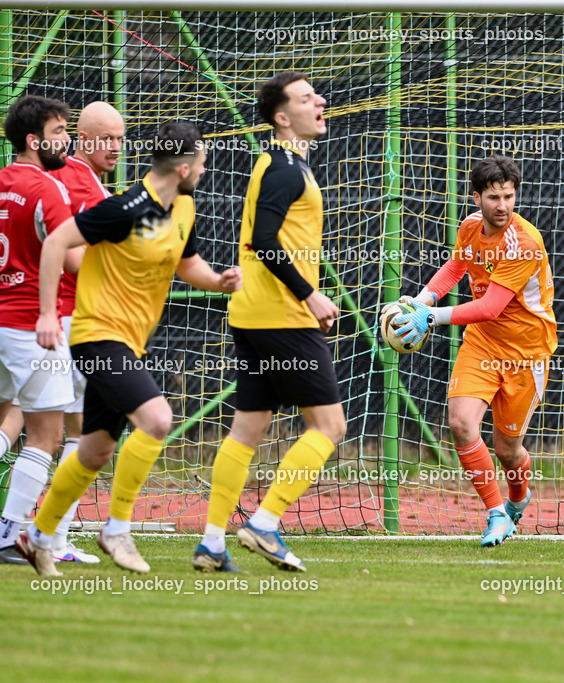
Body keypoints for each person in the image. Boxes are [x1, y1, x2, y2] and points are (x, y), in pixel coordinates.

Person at [16, 121, 242, 577]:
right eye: (200, 162)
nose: (204, 169)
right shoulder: (124, 209)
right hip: (97, 335)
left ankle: (38, 537)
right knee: (157, 419)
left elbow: (187, 262)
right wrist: (45, 314)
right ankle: (116, 528)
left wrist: (218, 281)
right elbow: (57, 240)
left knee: (95, 451)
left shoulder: (182, 206)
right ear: (183, 167)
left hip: (130, 342)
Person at [192, 71, 345, 573]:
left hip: (253, 315)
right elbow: (263, 239)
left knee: (246, 430)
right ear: (283, 118)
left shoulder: (278, 162)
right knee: (329, 424)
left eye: (315, 94)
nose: (319, 101)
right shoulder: (285, 169)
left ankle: (212, 543)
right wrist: (311, 295)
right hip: (283, 315)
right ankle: (264, 522)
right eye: (305, 98)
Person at [384, 154, 556, 547]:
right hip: (482, 341)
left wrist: (431, 317)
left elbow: (491, 305)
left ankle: (517, 497)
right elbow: (455, 266)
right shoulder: (470, 227)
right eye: (494, 197)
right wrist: (423, 298)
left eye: (510, 197)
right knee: (461, 424)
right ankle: (496, 514)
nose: (503, 206)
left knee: (507, 450)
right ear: (476, 197)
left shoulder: (524, 243)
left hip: (526, 354)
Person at [42, 100, 124, 564]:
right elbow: (75, 253)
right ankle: (46, 536)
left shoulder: (69, 177)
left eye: (118, 138)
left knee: (50, 430)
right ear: (82, 136)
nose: (114, 147)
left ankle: (47, 535)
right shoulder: (77, 181)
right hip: (74, 317)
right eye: (105, 138)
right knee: (77, 436)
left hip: (55, 316)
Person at [0, 95, 76, 566]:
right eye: (59, 131)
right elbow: (74, 258)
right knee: (46, 438)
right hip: (32, 326)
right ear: (34, 141)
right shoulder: (47, 189)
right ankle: (10, 534)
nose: (66, 139)